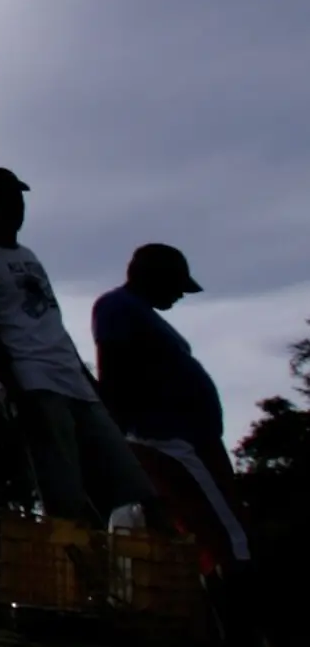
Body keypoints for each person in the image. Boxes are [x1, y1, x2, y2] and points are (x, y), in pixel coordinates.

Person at [0, 167, 156, 533]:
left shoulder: (27, 254)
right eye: (4, 198)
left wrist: (89, 380)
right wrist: (16, 392)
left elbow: (51, 322)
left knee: (137, 494)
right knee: (66, 501)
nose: (16, 206)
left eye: (18, 197)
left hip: (71, 381)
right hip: (34, 383)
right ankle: (76, 586)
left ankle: (132, 575)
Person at [92, 244, 253, 624]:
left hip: (189, 440)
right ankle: (243, 630)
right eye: (177, 285)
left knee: (209, 534)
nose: (181, 294)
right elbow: (112, 373)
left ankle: (221, 622)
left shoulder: (141, 314)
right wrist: (114, 438)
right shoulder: (118, 307)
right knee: (228, 537)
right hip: (170, 441)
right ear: (153, 277)